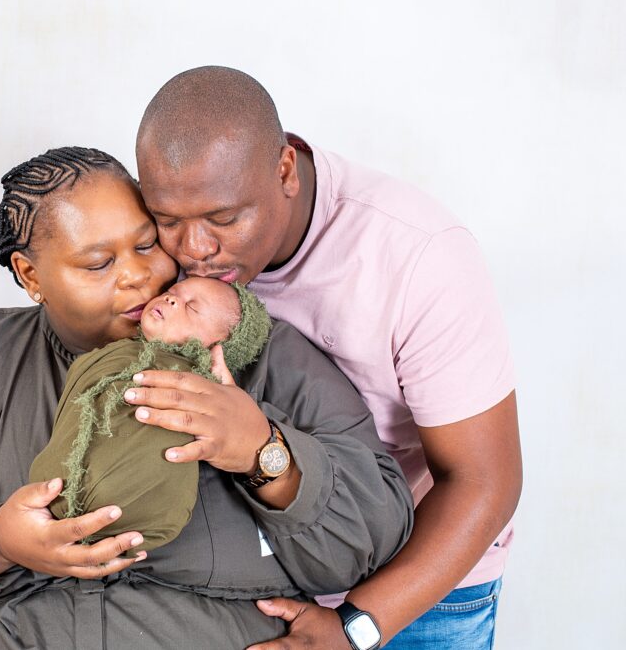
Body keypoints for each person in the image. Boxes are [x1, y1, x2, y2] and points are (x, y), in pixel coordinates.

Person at [0, 146, 414, 649]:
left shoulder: (256, 350)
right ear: (30, 275)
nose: (137, 276)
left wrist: (263, 451)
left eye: (147, 245)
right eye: (98, 263)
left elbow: (372, 537)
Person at [133, 66, 522, 650]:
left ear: (285, 170)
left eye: (224, 219)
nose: (195, 251)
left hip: (411, 589)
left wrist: (356, 627)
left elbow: (484, 480)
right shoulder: (156, 246)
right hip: (253, 576)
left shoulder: (419, 256)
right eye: (168, 222)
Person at [29, 277, 272, 554]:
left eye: (192, 308)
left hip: (136, 500)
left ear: (218, 349)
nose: (171, 299)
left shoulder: (201, 387)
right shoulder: (119, 352)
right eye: (171, 291)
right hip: (53, 489)